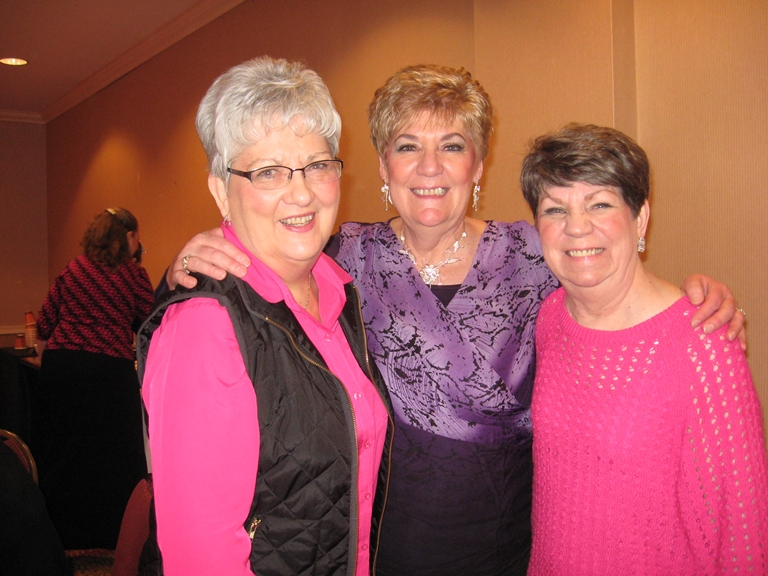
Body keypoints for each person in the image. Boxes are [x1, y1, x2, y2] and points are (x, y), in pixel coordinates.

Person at [162, 66, 746, 575]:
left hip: (509, 543)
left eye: (453, 145)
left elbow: (613, 291)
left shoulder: (534, 254)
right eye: (407, 146)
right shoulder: (340, 257)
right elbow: (255, 274)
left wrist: (698, 301)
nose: (430, 167)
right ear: (383, 166)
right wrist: (185, 261)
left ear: (479, 164)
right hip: (381, 544)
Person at [137, 57, 393, 576]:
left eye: (317, 165)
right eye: (268, 172)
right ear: (220, 191)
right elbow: (201, 558)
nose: (302, 192)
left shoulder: (337, 291)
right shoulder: (205, 326)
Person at [521, 123, 768, 574]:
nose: (576, 227)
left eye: (599, 204)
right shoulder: (550, 316)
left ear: (640, 218)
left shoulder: (704, 340)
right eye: (555, 209)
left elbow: (744, 532)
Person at [35, 207, 152, 550]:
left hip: (63, 368)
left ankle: (60, 534)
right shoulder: (132, 276)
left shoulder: (74, 268)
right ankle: (110, 535)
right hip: (108, 373)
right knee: (111, 459)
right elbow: (150, 326)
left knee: (62, 453)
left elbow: (45, 323)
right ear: (128, 237)